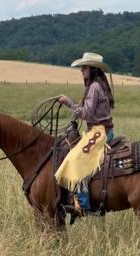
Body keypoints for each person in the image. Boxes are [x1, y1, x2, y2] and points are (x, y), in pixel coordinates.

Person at [55, 52, 115, 212]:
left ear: (93, 69)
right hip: (98, 131)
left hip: (99, 132)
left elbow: (87, 114)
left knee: (76, 161)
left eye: (85, 67)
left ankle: (83, 204)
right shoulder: (97, 85)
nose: (82, 70)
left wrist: (68, 102)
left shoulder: (94, 87)